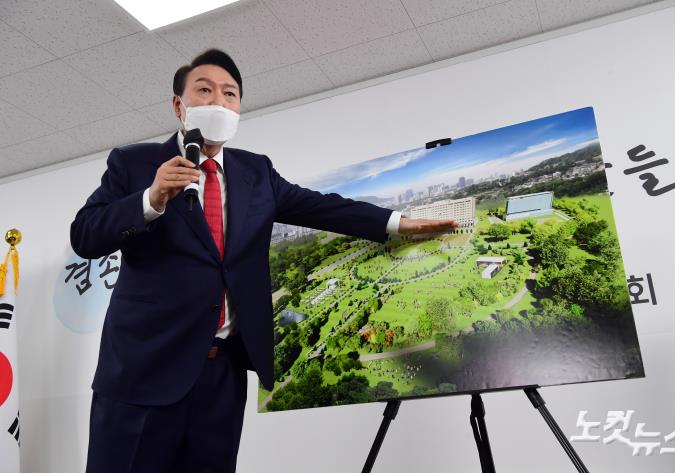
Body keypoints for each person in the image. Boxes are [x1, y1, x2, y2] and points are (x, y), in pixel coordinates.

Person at [70, 48, 456, 473]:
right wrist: (150, 198)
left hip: (222, 375)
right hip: (144, 373)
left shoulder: (256, 172)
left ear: (239, 108)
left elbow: (321, 208)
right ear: (179, 106)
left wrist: (397, 221)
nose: (218, 101)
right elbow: (85, 234)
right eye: (204, 90)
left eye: (230, 93)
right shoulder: (134, 163)